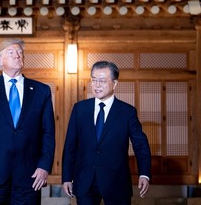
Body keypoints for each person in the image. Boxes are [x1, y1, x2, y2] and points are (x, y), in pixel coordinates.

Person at [0, 38, 55, 205]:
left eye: (20, 52)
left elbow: (48, 133)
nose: (17, 55)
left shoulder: (41, 91)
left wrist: (44, 167)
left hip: (30, 175)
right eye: (11, 52)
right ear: (0, 60)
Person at [62, 61, 151, 205]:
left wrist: (144, 174)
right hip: (85, 181)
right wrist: (67, 177)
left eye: (102, 81)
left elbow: (141, 145)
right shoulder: (80, 109)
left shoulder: (127, 112)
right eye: (94, 80)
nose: (97, 85)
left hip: (116, 182)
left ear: (115, 83)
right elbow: (70, 146)